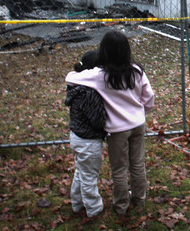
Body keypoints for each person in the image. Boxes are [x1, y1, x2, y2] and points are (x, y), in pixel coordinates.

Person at [66, 30, 154, 215]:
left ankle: (121, 205)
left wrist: (84, 68)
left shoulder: (99, 75)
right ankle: (139, 199)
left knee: (119, 168)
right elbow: (149, 96)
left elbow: (70, 77)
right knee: (137, 164)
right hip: (138, 125)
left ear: (103, 51)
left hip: (117, 130)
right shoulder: (137, 71)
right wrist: (142, 111)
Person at [65, 50, 107, 218]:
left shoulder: (76, 88)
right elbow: (97, 119)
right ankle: (94, 209)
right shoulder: (89, 93)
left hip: (77, 137)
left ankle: (76, 203)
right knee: (89, 176)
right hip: (88, 141)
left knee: (81, 172)